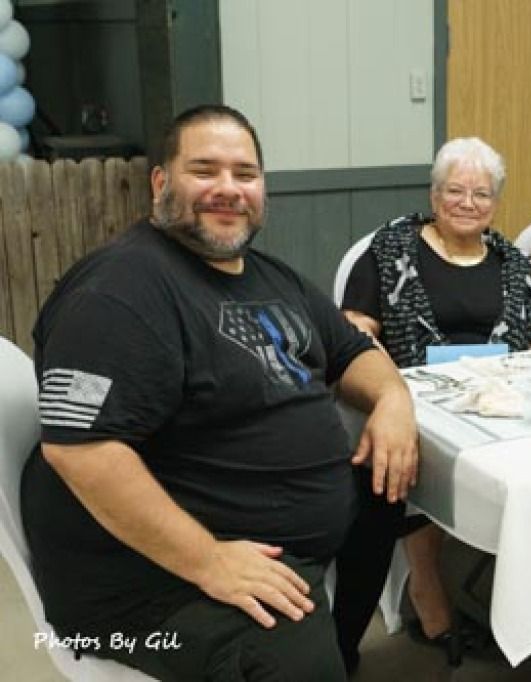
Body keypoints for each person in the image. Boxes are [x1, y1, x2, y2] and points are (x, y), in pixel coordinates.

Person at [21, 105, 418, 681]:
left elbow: (352, 350)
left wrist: (394, 402)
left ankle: (343, 651)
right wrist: (209, 562)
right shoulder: (119, 291)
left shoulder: (268, 276)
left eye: (245, 174)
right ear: (161, 183)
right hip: (146, 587)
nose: (228, 189)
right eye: (204, 171)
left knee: (385, 488)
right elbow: (79, 449)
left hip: (258, 537)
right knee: (292, 652)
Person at [341, 136, 531, 661]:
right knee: (415, 454)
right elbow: (352, 328)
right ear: (435, 196)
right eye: (455, 190)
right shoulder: (391, 249)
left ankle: (529, 597)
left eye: (482, 194)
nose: (467, 202)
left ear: (495, 204)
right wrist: (387, 384)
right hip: (412, 401)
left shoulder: (510, 261)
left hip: (502, 403)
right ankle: (428, 590)